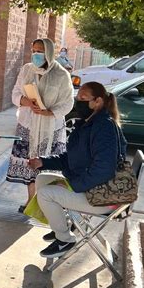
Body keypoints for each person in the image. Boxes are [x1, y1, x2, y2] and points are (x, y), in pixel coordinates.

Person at [29, 81, 127, 258]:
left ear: (97, 102)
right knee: (42, 179)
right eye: (77, 97)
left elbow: (104, 170)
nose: (77, 101)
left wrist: (73, 186)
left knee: (46, 194)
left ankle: (65, 240)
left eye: (83, 98)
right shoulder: (88, 124)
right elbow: (71, 158)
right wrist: (43, 162)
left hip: (105, 197)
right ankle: (61, 227)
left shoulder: (104, 127)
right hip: (93, 187)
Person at [7, 38, 74, 213]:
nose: (36, 55)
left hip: (50, 129)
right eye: (34, 50)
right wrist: (26, 101)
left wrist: (49, 112)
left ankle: (46, 204)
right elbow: (14, 94)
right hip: (27, 125)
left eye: (40, 51)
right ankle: (31, 201)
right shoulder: (27, 70)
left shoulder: (61, 74)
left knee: (45, 165)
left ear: (50, 53)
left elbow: (68, 103)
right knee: (29, 164)